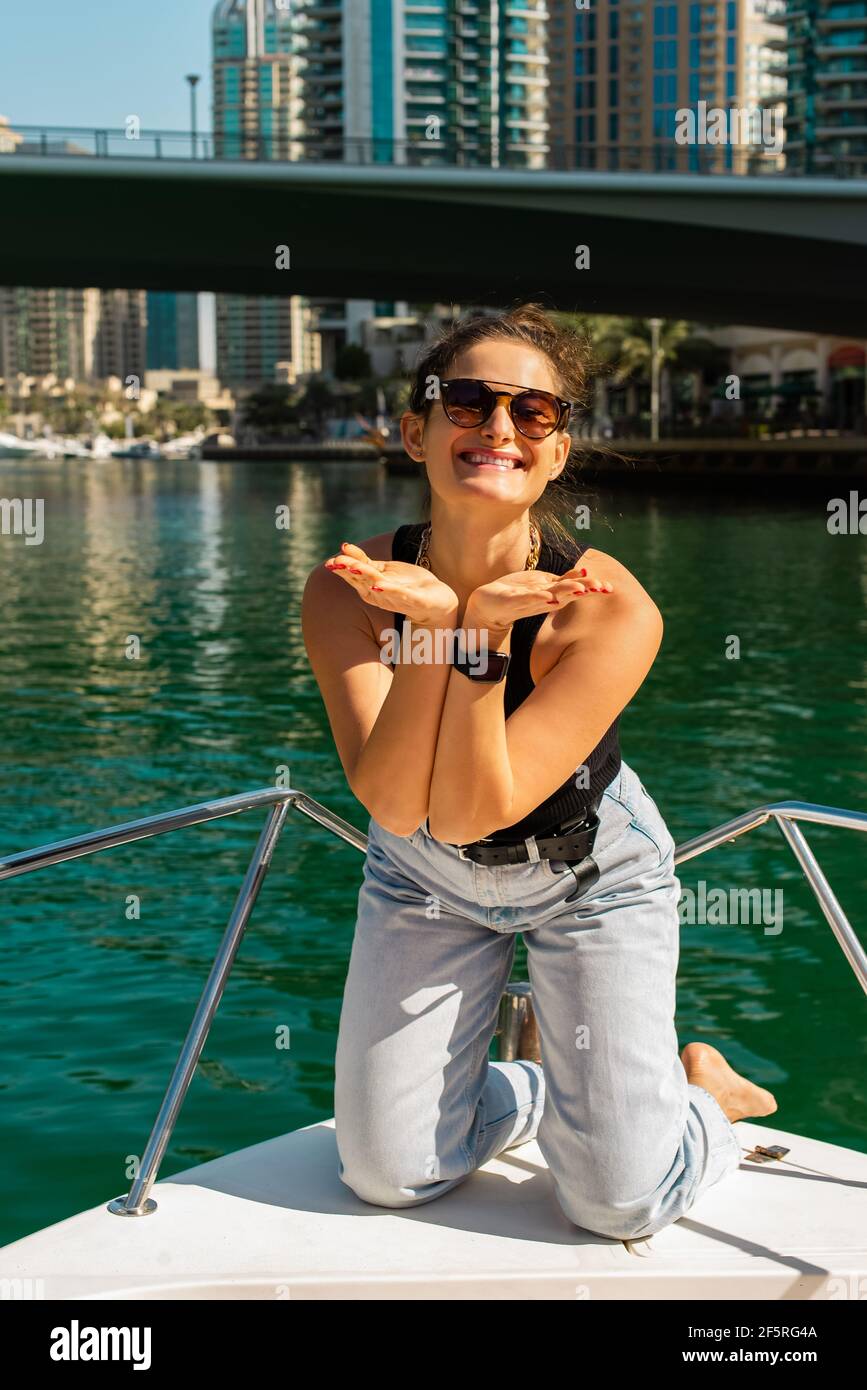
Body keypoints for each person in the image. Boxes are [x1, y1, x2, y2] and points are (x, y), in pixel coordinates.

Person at [301, 302, 777, 1242]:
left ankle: (699, 1101)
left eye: (535, 413)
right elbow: (396, 804)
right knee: (388, 1176)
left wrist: (469, 632)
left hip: (588, 875)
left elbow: (484, 805)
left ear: (557, 452)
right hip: (419, 874)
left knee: (614, 1204)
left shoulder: (606, 608)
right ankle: (551, 1088)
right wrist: (441, 625)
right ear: (416, 432)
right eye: (469, 403)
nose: (500, 430)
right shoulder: (351, 591)